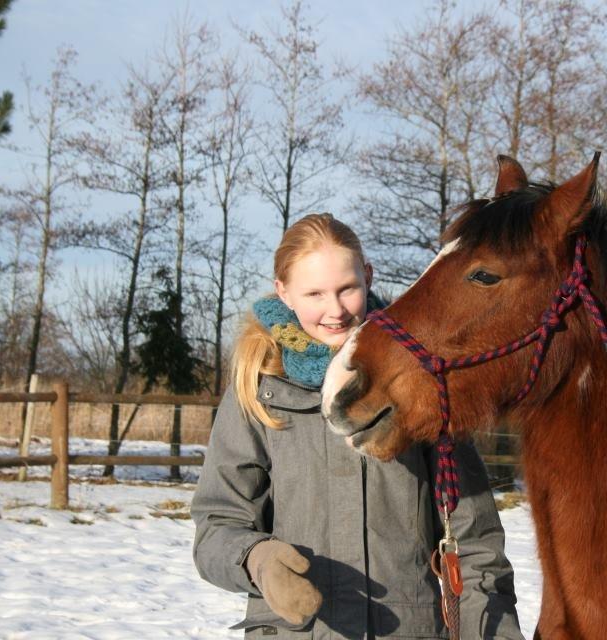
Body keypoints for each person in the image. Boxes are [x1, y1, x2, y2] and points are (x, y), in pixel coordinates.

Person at [191, 213, 525, 640]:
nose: (335, 310)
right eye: (314, 293)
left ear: (367, 277)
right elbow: (217, 525)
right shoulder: (258, 390)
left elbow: (473, 541)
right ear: (284, 292)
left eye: (347, 288)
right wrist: (257, 560)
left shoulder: (419, 382)